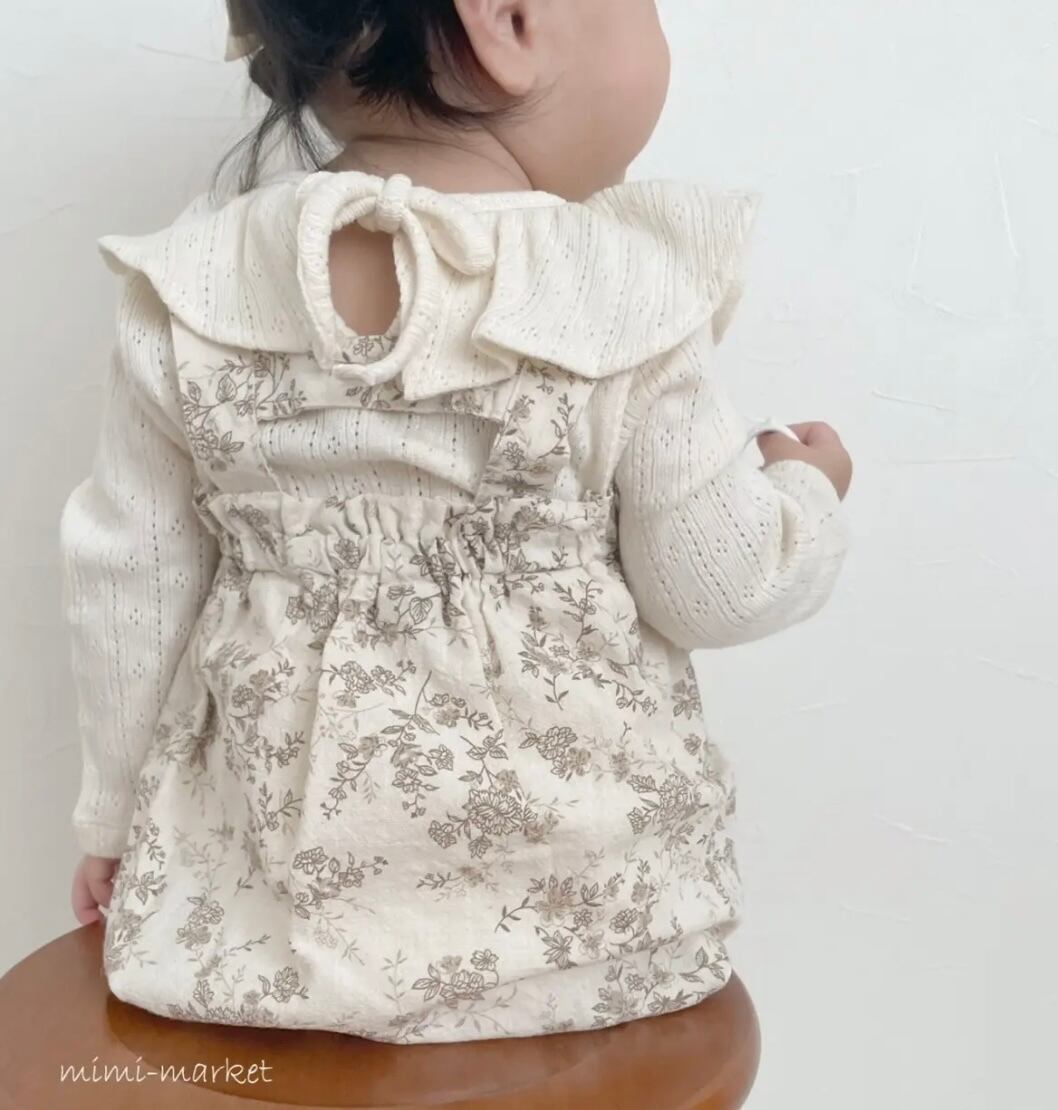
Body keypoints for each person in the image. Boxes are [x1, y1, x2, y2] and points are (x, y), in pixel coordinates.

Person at [62, 0, 852, 1042]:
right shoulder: (620, 288)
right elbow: (720, 587)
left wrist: (113, 819)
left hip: (267, 950)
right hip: (597, 946)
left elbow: (132, 586)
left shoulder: (195, 284)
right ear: (506, 22)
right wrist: (806, 489)